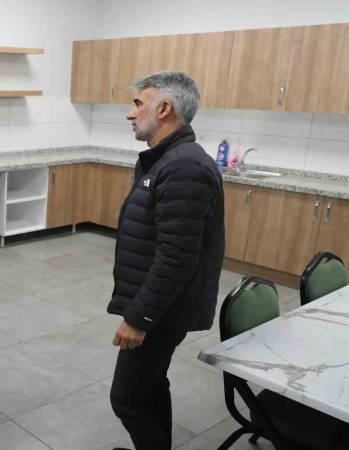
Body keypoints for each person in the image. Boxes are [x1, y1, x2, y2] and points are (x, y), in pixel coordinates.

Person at [107, 71, 225, 450]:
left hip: (162, 311)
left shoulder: (184, 167)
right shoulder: (165, 160)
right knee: (151, 384)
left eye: (137, 103)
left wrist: (139, 318)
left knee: (127, 398)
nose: (130, 113)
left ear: (163, 109)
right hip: (162, 304)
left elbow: (176, 257)